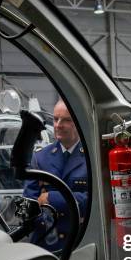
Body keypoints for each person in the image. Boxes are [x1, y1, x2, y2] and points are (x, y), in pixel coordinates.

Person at [23, 99, 88, 252]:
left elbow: (93, 201)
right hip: (46, 241)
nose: (58, 125)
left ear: (78, 122)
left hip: (80, 241)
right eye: (56, 119)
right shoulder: (39, 158)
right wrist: (47, 222)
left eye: (66, 120)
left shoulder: (91, 159)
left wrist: (51, 198)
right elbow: (29, 203)